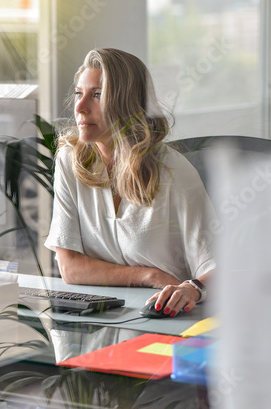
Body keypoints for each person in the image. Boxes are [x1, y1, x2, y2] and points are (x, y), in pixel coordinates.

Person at [45, 48, 215, 316]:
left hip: (170, 319)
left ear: (126, 103)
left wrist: (189, 289)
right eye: (79, 93)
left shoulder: (172, 170)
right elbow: (70, 267)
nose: (79, 107)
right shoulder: (70, 160)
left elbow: (218, 270)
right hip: (101, 319)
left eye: (97, 95)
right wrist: (147, 275)